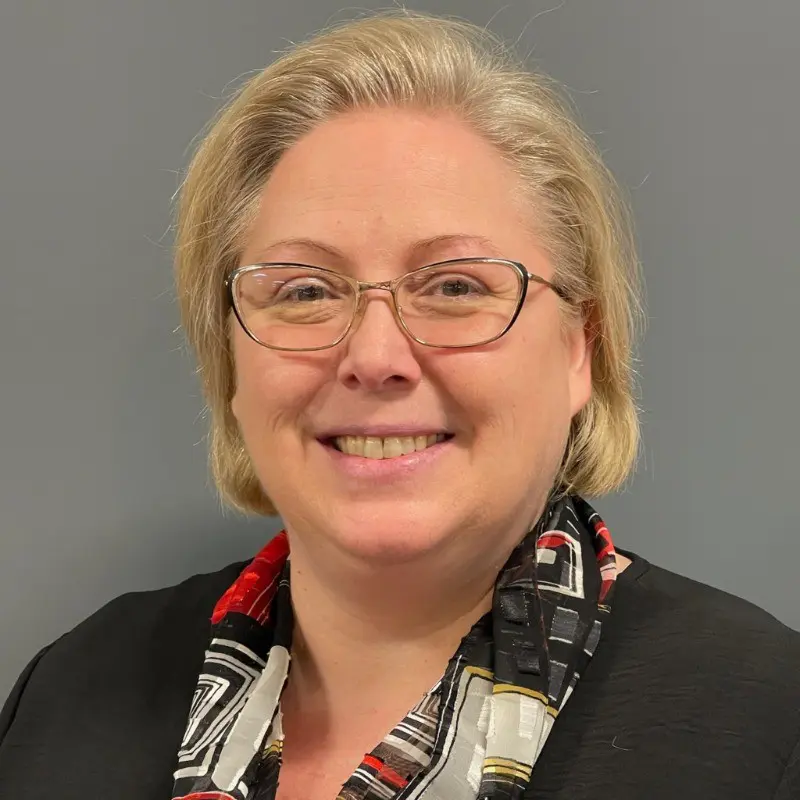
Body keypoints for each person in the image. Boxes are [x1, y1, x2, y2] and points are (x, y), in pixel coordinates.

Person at [1, 10, 798, 800]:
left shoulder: (769, 730)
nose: (374, 358)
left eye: (455, 287)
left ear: (578, 349)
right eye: (305, 291)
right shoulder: (69, 694)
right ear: (232, 364)